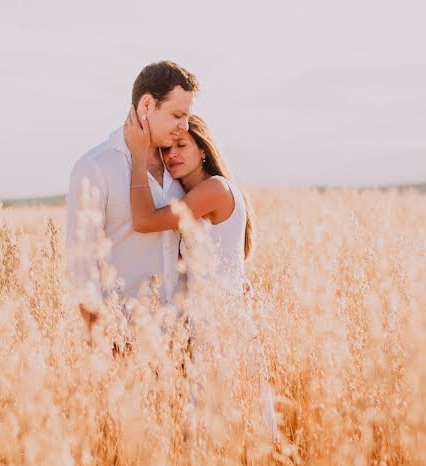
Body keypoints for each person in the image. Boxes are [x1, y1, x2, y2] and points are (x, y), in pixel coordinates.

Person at [123, 110, 278, 443]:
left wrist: (138, 158)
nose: (172, 155)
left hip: (223, 327)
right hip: (206, 325)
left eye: (182, 145)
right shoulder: (194, 195)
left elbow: (145, 220)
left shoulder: (215, 190)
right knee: (211, 433)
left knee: (236, 429)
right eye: (166, 149)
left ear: (204, 149)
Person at [64, 60, 199, 336]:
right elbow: (81, 270)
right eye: (177, 115)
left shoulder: (180, 166)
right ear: (147, 105)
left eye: (186, 117)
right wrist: (105, 345)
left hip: (180, 343)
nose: (184, 126)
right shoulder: (95, 167)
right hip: (124, 339)